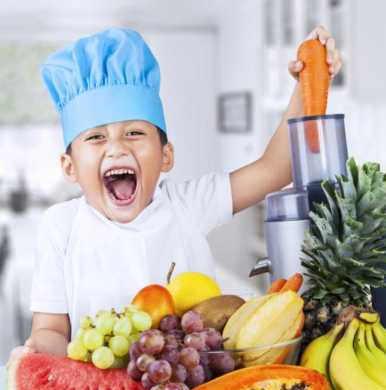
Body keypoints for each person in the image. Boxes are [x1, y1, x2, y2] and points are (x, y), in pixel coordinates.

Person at [7, 26, 341, 366]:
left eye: (134, 133)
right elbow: (50, 329)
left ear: (166, 156)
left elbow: (274, 169)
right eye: (95, 138)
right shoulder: (61, 225)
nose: (117, 148)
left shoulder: (187, 205)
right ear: (70, 166)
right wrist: (37, 350)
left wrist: (307, 83)